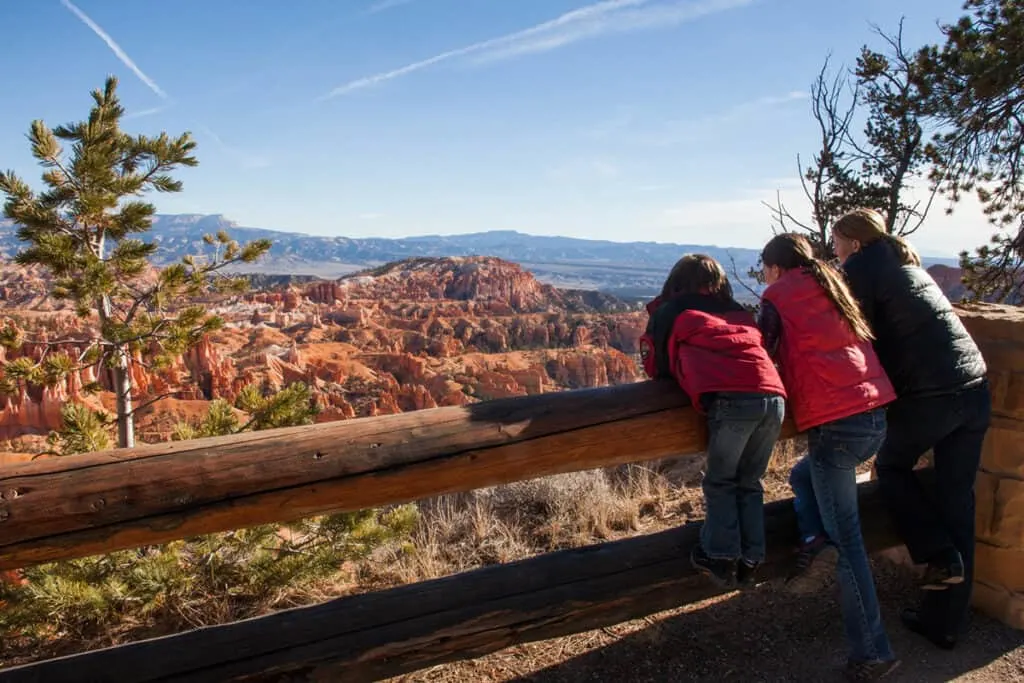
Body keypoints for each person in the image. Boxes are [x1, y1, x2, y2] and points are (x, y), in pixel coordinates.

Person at [832, 207, 990, 651]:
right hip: (975, 391)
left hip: (933, 396)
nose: (835, 249)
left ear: (855, 243)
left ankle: (938, 554)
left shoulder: (861, 270)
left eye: (837, 241)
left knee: (893, 466)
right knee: (958, 501)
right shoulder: (906, 268)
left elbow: (854, 337)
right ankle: (945, 623)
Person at [759, 233, 900, 681]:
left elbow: (761, 352)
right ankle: (815, 540)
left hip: (837, 426)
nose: (764, 275)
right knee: (803, 476)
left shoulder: (777, 294)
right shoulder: (831, 284)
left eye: (764, 268)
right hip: (876, 416)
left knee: (850, 545)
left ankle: (874, 653)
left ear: (775, 267)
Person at [639, 254, 786, 589]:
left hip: (732, 402)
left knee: (720, 482)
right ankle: (752, 557)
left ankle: (720, 556)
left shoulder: (671, 311)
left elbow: (655, 367)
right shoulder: (737, 310)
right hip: (774, 398)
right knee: (750, 481)